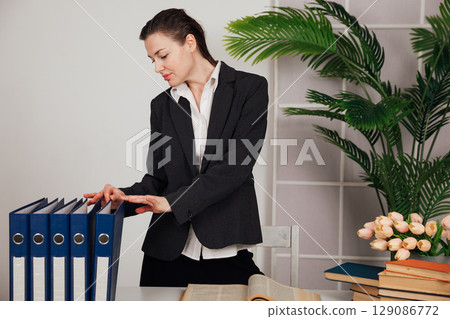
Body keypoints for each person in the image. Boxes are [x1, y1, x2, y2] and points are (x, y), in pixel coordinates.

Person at [84, 8, 268, 287]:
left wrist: (173, 203)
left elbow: (235, 168)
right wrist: (125, 198)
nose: (157, 67)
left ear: (190, 43)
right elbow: (159, 179)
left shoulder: (250, 89)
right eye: (152, 60)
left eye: (163, 55)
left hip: (225, 250)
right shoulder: (161, 105)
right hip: (166, 254)